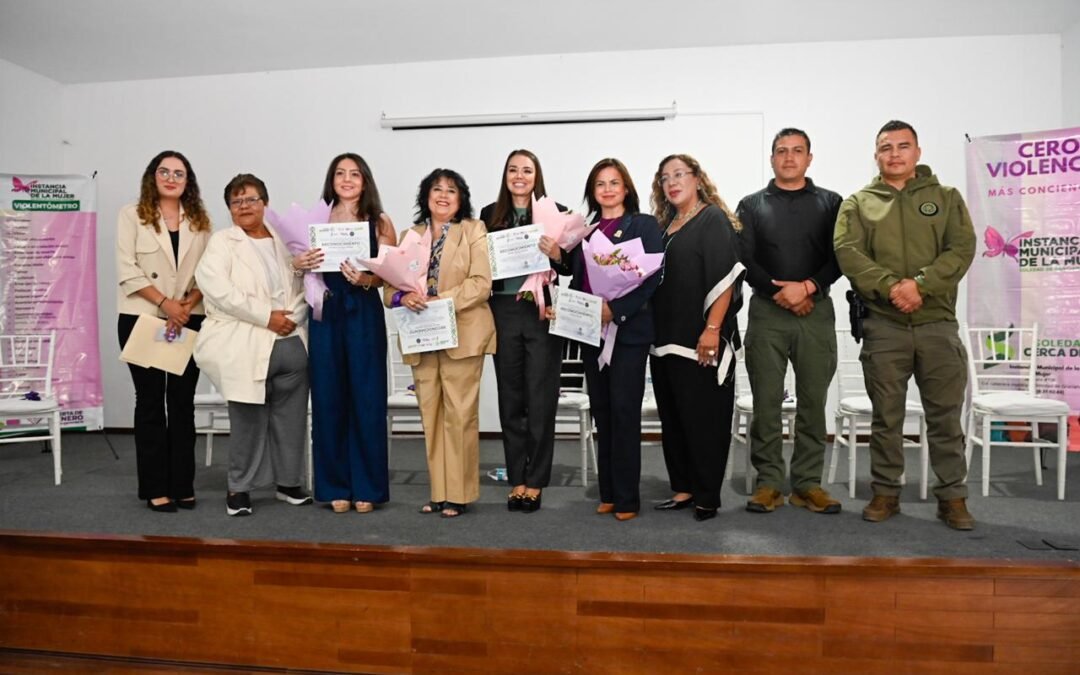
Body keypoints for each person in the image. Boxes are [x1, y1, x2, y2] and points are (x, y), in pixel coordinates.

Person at [834, 120, 976, 530]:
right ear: (875, 155)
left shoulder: (946, 198)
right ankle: (885, 492)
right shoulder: (859, 202)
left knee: (945, 418)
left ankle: (952, 497)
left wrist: (923, 286)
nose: (894, 154)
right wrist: (891, 286)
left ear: (917, 152)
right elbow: (848, 251)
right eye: (885, 147)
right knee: (887, 417)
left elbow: (962, 248)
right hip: (884, 325)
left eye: (902, 146)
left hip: (936, 325)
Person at [736, 129, 843, 515]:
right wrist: (781, 292)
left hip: (816, 311)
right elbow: (744, 259)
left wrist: (809, 287)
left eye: (797, 151)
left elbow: (841, 255)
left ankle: (807, 484)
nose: (789, 157)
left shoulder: (831, 203)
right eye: (781, 151)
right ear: (772, 159)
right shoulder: (750, 205)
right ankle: (768, 483)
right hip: (767, 312)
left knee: (813, 402)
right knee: (767, 402)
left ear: (809, 158)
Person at [193, 174, 312, 517]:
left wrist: (292, 316)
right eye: (236, 201)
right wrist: (266, 317)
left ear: (265, 203)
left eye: (251, 199)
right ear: (230, 208)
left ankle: (289, 483)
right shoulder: (222, 243)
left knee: (291, 420)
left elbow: (303, 283)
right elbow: (218, 290)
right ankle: (239, 488)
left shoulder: (283, 241)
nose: (244, 206)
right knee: (247, 420)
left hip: (290, 342)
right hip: (247, 343)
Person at [384, 169, 495, 519]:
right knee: (430, 415)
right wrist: (404, 296)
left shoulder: (474, 231)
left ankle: (459, 494)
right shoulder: (409, 234)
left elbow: (481, 284)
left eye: (451, 190)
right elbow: (388, 290)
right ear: (425, 196)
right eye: (437, 189)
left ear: (461, 198)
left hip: (463, 333)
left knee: (460, 416)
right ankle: (439, 491)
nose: (443, 196)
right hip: (422, 336)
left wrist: (437, 300)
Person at [291, 154, 397, 514]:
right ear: (331, 179)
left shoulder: (380, 221)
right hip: (326, 310)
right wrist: (298, 263)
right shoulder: (315, 220)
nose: (347, 179)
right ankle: (334, 484)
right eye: (340, 173)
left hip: (363, 311)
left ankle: (367, 486)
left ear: (365, 181)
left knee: (367, 399)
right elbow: (298, 263)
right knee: (328, 398)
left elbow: (390, 274)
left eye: (355, 174)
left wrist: (368, 279)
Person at [649, 154, 745, 522]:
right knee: (674, 420)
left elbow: (727, 277)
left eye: (679, 174)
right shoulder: (667, 225)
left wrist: (712, 329)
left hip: (700, 341)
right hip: (665, 340)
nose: (672, 182)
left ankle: (706, 495)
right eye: (665, 177)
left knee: (704, 420)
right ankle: (684, 487)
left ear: (698, 179)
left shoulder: (712, 220)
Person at [116, 150, 212, 512]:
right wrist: (164, 304)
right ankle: (156, 487)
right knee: (151, 402)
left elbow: (209, 270)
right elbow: (127, 269)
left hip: (188, 317)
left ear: (188, 182)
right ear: (152, 176)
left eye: (179, 173)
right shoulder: (131, 215)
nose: (171, 178)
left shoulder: (201, 220)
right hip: (143, 316)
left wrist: (185, 303)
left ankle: (182, 485)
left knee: (182, 403)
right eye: (164, 171)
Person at [568, 158, 663, 522]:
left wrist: (617, 310)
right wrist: (571, 310)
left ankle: (627, 499)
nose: (607, 189)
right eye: (600, 184)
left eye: (614, 183)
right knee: (602, 414)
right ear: (593, 192)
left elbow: (651, 278)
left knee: (624, 414)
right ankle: (607, 492)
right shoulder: (585, 232)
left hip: (628, 333)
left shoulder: (643, 225)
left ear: (626, 188)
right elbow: (579, 281)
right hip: (592, 332)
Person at [479, 149, 568, 513]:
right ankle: (517, 476)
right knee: (511, 397)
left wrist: (558, 253)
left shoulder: (555, 211)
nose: (519, 176)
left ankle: (536, 481)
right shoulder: (489, 214)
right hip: (502, 309)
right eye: (513, 170)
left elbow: (571, 264)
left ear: (537, 176)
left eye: (527, 170)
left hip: (541, 310)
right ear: (505, 175)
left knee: (541, 397)